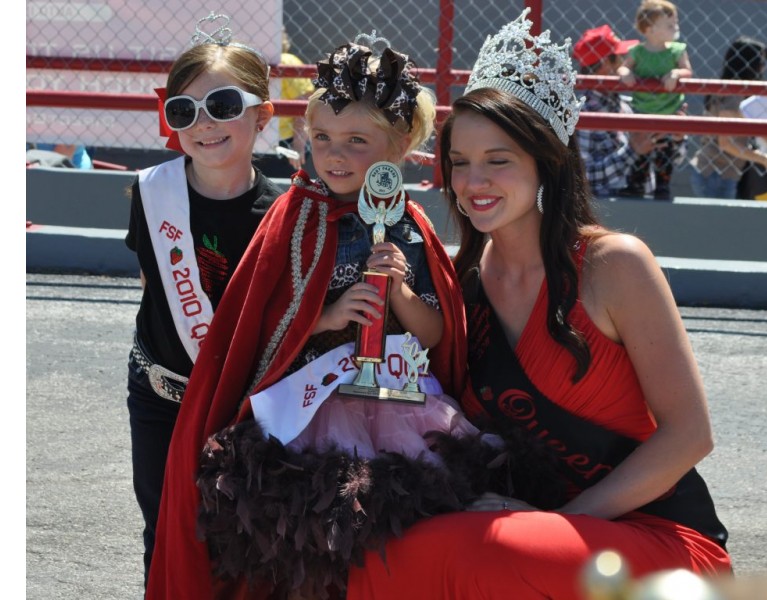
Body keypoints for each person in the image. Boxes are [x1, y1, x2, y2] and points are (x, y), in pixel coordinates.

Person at [145, 32, 552, 600]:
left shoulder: (411, 227)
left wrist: (401, 296)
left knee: (393, 540)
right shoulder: (294, 216)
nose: (335, 155)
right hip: (311, 410)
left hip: (400, 408)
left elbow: (439, 334)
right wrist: (329, 314)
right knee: (305, 548)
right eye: (322, 138)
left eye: (356, 141)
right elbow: (260, 328)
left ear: (399, 146)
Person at [346, 9, 731, 599]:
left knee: (474, 550)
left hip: (655, 537)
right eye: (459, 162)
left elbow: (690, 436)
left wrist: (565, 520)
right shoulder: (460, 281)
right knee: (379, 550)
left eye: (498, 160)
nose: (474, 181)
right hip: (533, 532)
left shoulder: (614, 265)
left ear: (545, 162)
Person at [124, 11, 281, 592]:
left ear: (263, 115)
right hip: (162, 397)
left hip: (243, 404)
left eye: (223, 107)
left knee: (242, 535)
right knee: (164, 530)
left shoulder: (283, 211)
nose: (204, 124)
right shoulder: (151, 195)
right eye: (185, 111)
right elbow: (153, 287)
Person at [572, 24, 662, 198]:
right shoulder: (582, 111)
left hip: (644, 205)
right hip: (607, 213)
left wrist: (676, 139)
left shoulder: (627, 104)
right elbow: (585, 177)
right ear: (606, 63)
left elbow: (667, 159)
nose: (627, 62)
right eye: (621, 57)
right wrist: (632, 150)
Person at [617, 0, 693, 200]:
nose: (675, 27)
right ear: (649, 29)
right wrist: (625, 73)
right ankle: (636, 184)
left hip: (669, 111)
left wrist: (676, 73)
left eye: (675, 23)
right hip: (642, 111)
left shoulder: (676, 50)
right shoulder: (638, 52)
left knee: (664, 153)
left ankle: (662, 186)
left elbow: (687, 71)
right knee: (641, 153)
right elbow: (624, 67)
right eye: (669, 24)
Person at [689, 36, 767, 200]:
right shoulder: (732, 94)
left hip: (724, 172)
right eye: (759, 63)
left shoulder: (730, 90)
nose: (763, 68)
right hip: (715, 173)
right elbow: (726, 143)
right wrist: (766, 160)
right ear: (747, 63)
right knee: (717, 224)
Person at [274, 26, 314, 176]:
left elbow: (304, 105)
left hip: (285, 142)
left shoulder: (286, 60)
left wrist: (297, 145)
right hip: (273, 141)